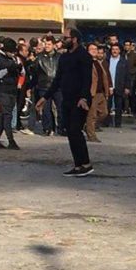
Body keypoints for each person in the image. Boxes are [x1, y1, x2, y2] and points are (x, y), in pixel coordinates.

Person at [36, 28, 94, 177]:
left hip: (80, 100)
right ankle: (78, 164)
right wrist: (44, 97)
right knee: (69, 131)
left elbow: (87, 79)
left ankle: (86, 164)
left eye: (66, 37)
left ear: (74, 39)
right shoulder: (64, 57)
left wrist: (84, 97)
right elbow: (57, 80)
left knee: (76, 130)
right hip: (66, 99)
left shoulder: (84, 56)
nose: (63, 40)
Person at [0, 38, 22, 150]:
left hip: (11, 90)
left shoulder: (13, 58)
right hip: (2, 90)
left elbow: (21, 72)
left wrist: (20, 68)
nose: (13, 53)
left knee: (4, 116)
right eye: (11, 51)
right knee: (7, 115)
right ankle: (11, 140)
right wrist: (7, 70)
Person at [35, 36, 63, 136]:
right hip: (44, 86)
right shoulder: (39, 57)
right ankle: (47, 128)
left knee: (61, 108)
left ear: (54, 45)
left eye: (49, 44)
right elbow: (36, 73)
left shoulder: (60, 57)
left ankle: (61, 128)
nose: (47, 46)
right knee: (46, 109)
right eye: (45, 44)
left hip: (57, 86)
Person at [85, 43, 111, 143]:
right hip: (92, 92)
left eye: (95, 49)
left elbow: (105, 77)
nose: (94, 51)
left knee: (104, 113)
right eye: (92, 49)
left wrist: (107, 90)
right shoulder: (86, 62)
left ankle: (88, 126)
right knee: (92, 115)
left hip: (101, 92)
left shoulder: (99, 62)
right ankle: (91, 135)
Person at [107, 43, 130, 128]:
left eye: (116, 49)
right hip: (109, 86)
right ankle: (107, 122)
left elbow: (128, 75)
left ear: (119, 51)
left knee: (119, 106)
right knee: (107, 106)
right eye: (113, 49)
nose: (114, 51)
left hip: (120, 85)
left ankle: (118, 123)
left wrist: (127, 87)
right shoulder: (107, 60)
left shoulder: (124, 61)